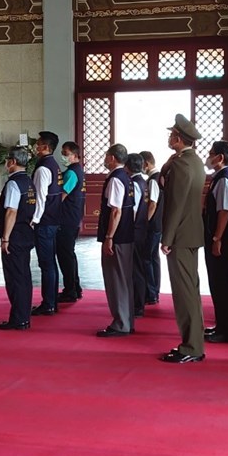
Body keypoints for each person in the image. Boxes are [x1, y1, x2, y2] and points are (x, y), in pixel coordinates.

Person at [158, 114, 207, 363]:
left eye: (171, 135)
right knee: (191, 288)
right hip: (191, 232)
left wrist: (167, 238)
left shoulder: (180, 165)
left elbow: (175, 204)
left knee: (184, 291)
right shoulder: (194, 161)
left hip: (179, 234)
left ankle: (191, 347)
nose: (169, 138)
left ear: (178, 138)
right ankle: (194, 341)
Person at [202, 141, 228, 344]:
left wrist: (217, 238)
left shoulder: (226, 179)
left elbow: (224, 211)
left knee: (223, 285)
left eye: (211, 154)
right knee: (217, 285)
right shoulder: (220, 177)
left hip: (224, 240)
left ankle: (227, 331)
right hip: (219, 238)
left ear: (220, 157)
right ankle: (221, 325)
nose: (208, 158)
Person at [96, 144, 136, 337]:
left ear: (112, 158)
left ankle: (121, 323)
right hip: (127, 235)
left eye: (106, 156)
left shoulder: (115, 179)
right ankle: (127, 320)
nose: (105, 159)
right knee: (124, 279)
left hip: (118, 238)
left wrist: (109, 237)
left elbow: (116, 210)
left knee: (116, 279)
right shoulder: (127, 178)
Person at [0, 146, 37, 331]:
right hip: (26, 232)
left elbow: (11, 211)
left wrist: (5, 238)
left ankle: (19, 318)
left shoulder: (13, 183)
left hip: (15, 236)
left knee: (15, 278)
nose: (6, 164)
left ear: (12, 162)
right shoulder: (28, 181)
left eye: (7, 160)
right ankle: (23, 316)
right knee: (24, 276)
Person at [31, 131, 63, 316]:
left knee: (47, 264)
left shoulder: (44, 168)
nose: (36, 147)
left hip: (44, 221)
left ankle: (49, 303)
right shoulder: (53, 165)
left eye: (39, 144)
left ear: (46, 147)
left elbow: (40, 197)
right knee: (50, 262)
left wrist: (35, 219)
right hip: (52, 219)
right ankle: (51, 301)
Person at [56, 141, 86, 303]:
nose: (63, 156)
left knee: (65, 256)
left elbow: (61, 196)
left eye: (66, 153)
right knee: (69, 254)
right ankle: (75, 287)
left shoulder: (71, 174)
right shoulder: (78, 171)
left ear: (75, 155)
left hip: (66, 220)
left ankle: (70, 290)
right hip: (73, 218)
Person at [125, 153, 149, 318]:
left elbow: (133, 210)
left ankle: (138, 305)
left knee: (135, 268)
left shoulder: (134, 183)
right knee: (138, 266)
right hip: (142, 228)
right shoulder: (143, 182)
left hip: (135, 229)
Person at [140, 151, 163, 305]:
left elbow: (152, 204)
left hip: (152, 224)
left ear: (146, 164)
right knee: (153, 257)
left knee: (147, 259)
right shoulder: (159, 177)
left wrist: (144, 222)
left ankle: (151, 292)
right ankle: (154, 290)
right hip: (159, 223)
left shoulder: (153, 180)